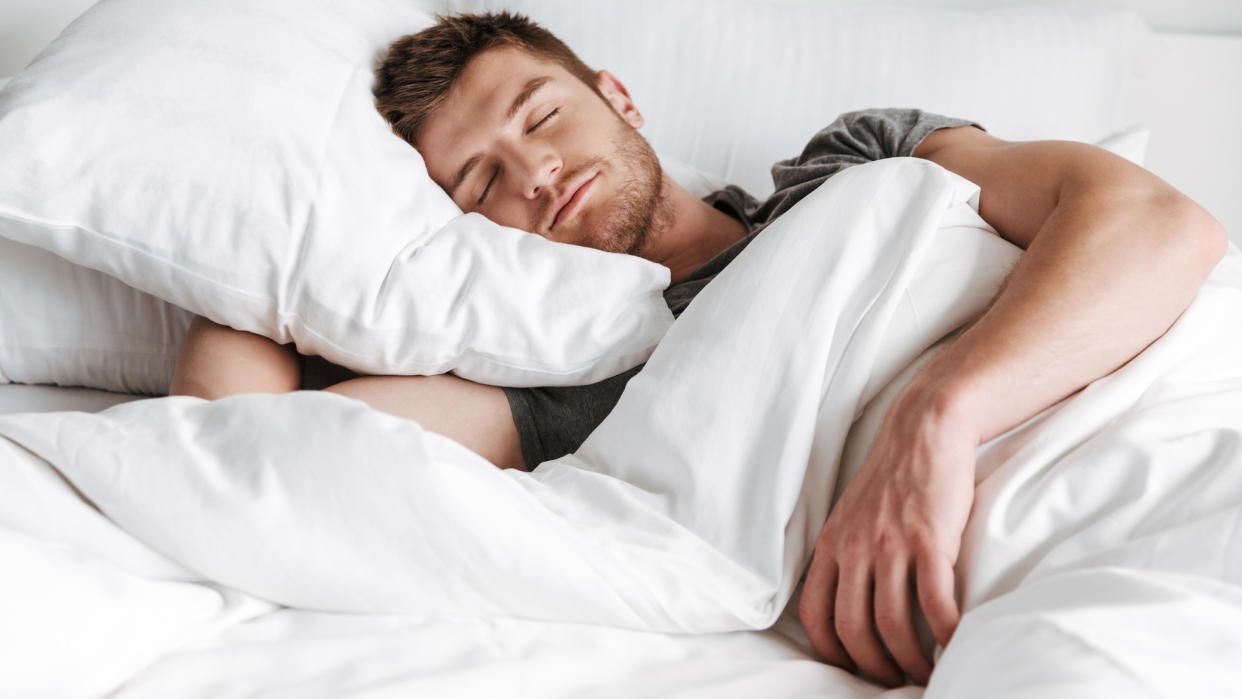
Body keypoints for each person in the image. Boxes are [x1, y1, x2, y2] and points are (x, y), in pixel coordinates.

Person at [169, 10, 1228, 688]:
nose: (533, 174)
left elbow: (1152, 224)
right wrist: (274, 246)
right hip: (1023, 589)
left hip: (1154, 434)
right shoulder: (582, 385)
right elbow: (244, 443)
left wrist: (938, 415)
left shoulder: (854, 163)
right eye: (479, 182)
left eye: (541, 118)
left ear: (619, 99)